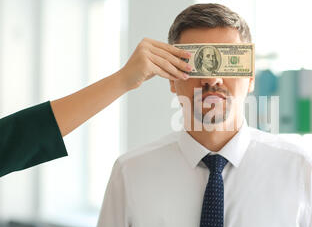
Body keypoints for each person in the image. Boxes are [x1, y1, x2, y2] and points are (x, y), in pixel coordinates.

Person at [87, 3, 312, 227]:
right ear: (170, 78)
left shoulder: (299, 169)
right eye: (196, 63)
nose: (212, 80)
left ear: (250, 77)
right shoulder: (130, 173)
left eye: (226, 62)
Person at [0, 39, 192, 178]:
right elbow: (14, 140)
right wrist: (123, 79)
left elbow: (15, 139)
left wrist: (124, 79)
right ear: (172, 83)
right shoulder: (129, 171)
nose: (212, 81)